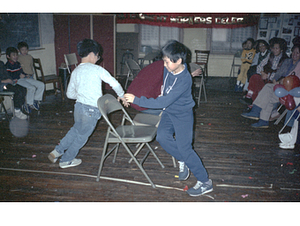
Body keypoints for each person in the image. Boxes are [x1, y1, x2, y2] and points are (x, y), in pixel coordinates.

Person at [124, 40, 212, 197]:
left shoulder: (184, 79)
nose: (164, 65)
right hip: (169, 112)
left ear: (179, 61)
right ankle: (182, 160)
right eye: (164, 60)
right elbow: (165, 88)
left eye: (167, 61)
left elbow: (164, 100)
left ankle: (205, 182)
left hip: (182, 115)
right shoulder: (170, 69)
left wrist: (136, 99)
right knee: (163, 137)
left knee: (186, 148)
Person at [48, 39, 128, 169]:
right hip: (91, 110)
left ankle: (57, 151)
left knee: (75, 130)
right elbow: (115, 84)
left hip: (78, 107)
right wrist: (122, 96)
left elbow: (70, 94)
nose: (98, 58)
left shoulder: (75, 71)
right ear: (92, 54)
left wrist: (81, 95)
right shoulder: (97, 69)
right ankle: (66, 160)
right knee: (82, 136)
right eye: (98, 56)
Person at [241, 43, 300, 128]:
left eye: (297, 53)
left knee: (268, 88)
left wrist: (282, 82)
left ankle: (256, 111)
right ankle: (263, 121)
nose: (294, 55)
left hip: (292, 92)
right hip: (281, 87)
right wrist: (276, 81)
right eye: (293, 52)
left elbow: (296, 80)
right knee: (269, 96)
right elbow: (278, 74)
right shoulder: (288, 61)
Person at [240, 38, 288, 106]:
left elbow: (282, 74)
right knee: (255, 77)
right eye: (273, 48)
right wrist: (262, 73)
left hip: (274, 82)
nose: (274, 50)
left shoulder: (285, 59)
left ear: (281, 49)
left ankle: (253, 106)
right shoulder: (270, 55)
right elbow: (259, 66)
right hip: (265, 78)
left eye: (277, 48)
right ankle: (249, 97)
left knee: (261, 88)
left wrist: (270, 77)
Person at [5, 47, 45, 112]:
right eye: (13, 55)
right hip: (17, 81)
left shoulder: (17, 63)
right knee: (32, 88)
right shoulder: (7, 66)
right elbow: (10, 76)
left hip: (23, 78)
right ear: (8, 56)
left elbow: (21, 72)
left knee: (41, 84)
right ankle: (29, 104)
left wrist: (26, 75)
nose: (15, 57)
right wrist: (19, 76)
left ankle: (35, 100)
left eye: (16, 55)